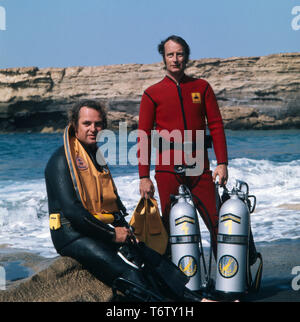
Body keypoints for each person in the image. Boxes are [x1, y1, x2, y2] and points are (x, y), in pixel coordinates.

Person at [44, 100, 210, 302]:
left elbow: (109, 203)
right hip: (72, 234)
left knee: (150, 259)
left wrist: (126, 231)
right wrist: (112, 235)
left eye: (97, 124)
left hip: (98, 227)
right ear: (74, 125)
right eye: (86, 123)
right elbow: (72, 211)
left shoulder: (95, 156)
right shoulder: (61, 160)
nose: (93, 129)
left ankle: (199, 301)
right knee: (131, 273)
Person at [138, 35, 228, 257]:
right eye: (170, 54)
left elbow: (216, 126)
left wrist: (222, 163)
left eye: (179, 54)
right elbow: (144, 136)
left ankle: (227, 278)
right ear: (164, 58)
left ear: (186, 56)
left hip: (199, 166)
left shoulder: (202, 87)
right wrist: (144, 176)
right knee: (171, 227)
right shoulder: (152, 93)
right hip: (167, 168)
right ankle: (177, 286)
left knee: (217, 223)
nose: (175, 59)